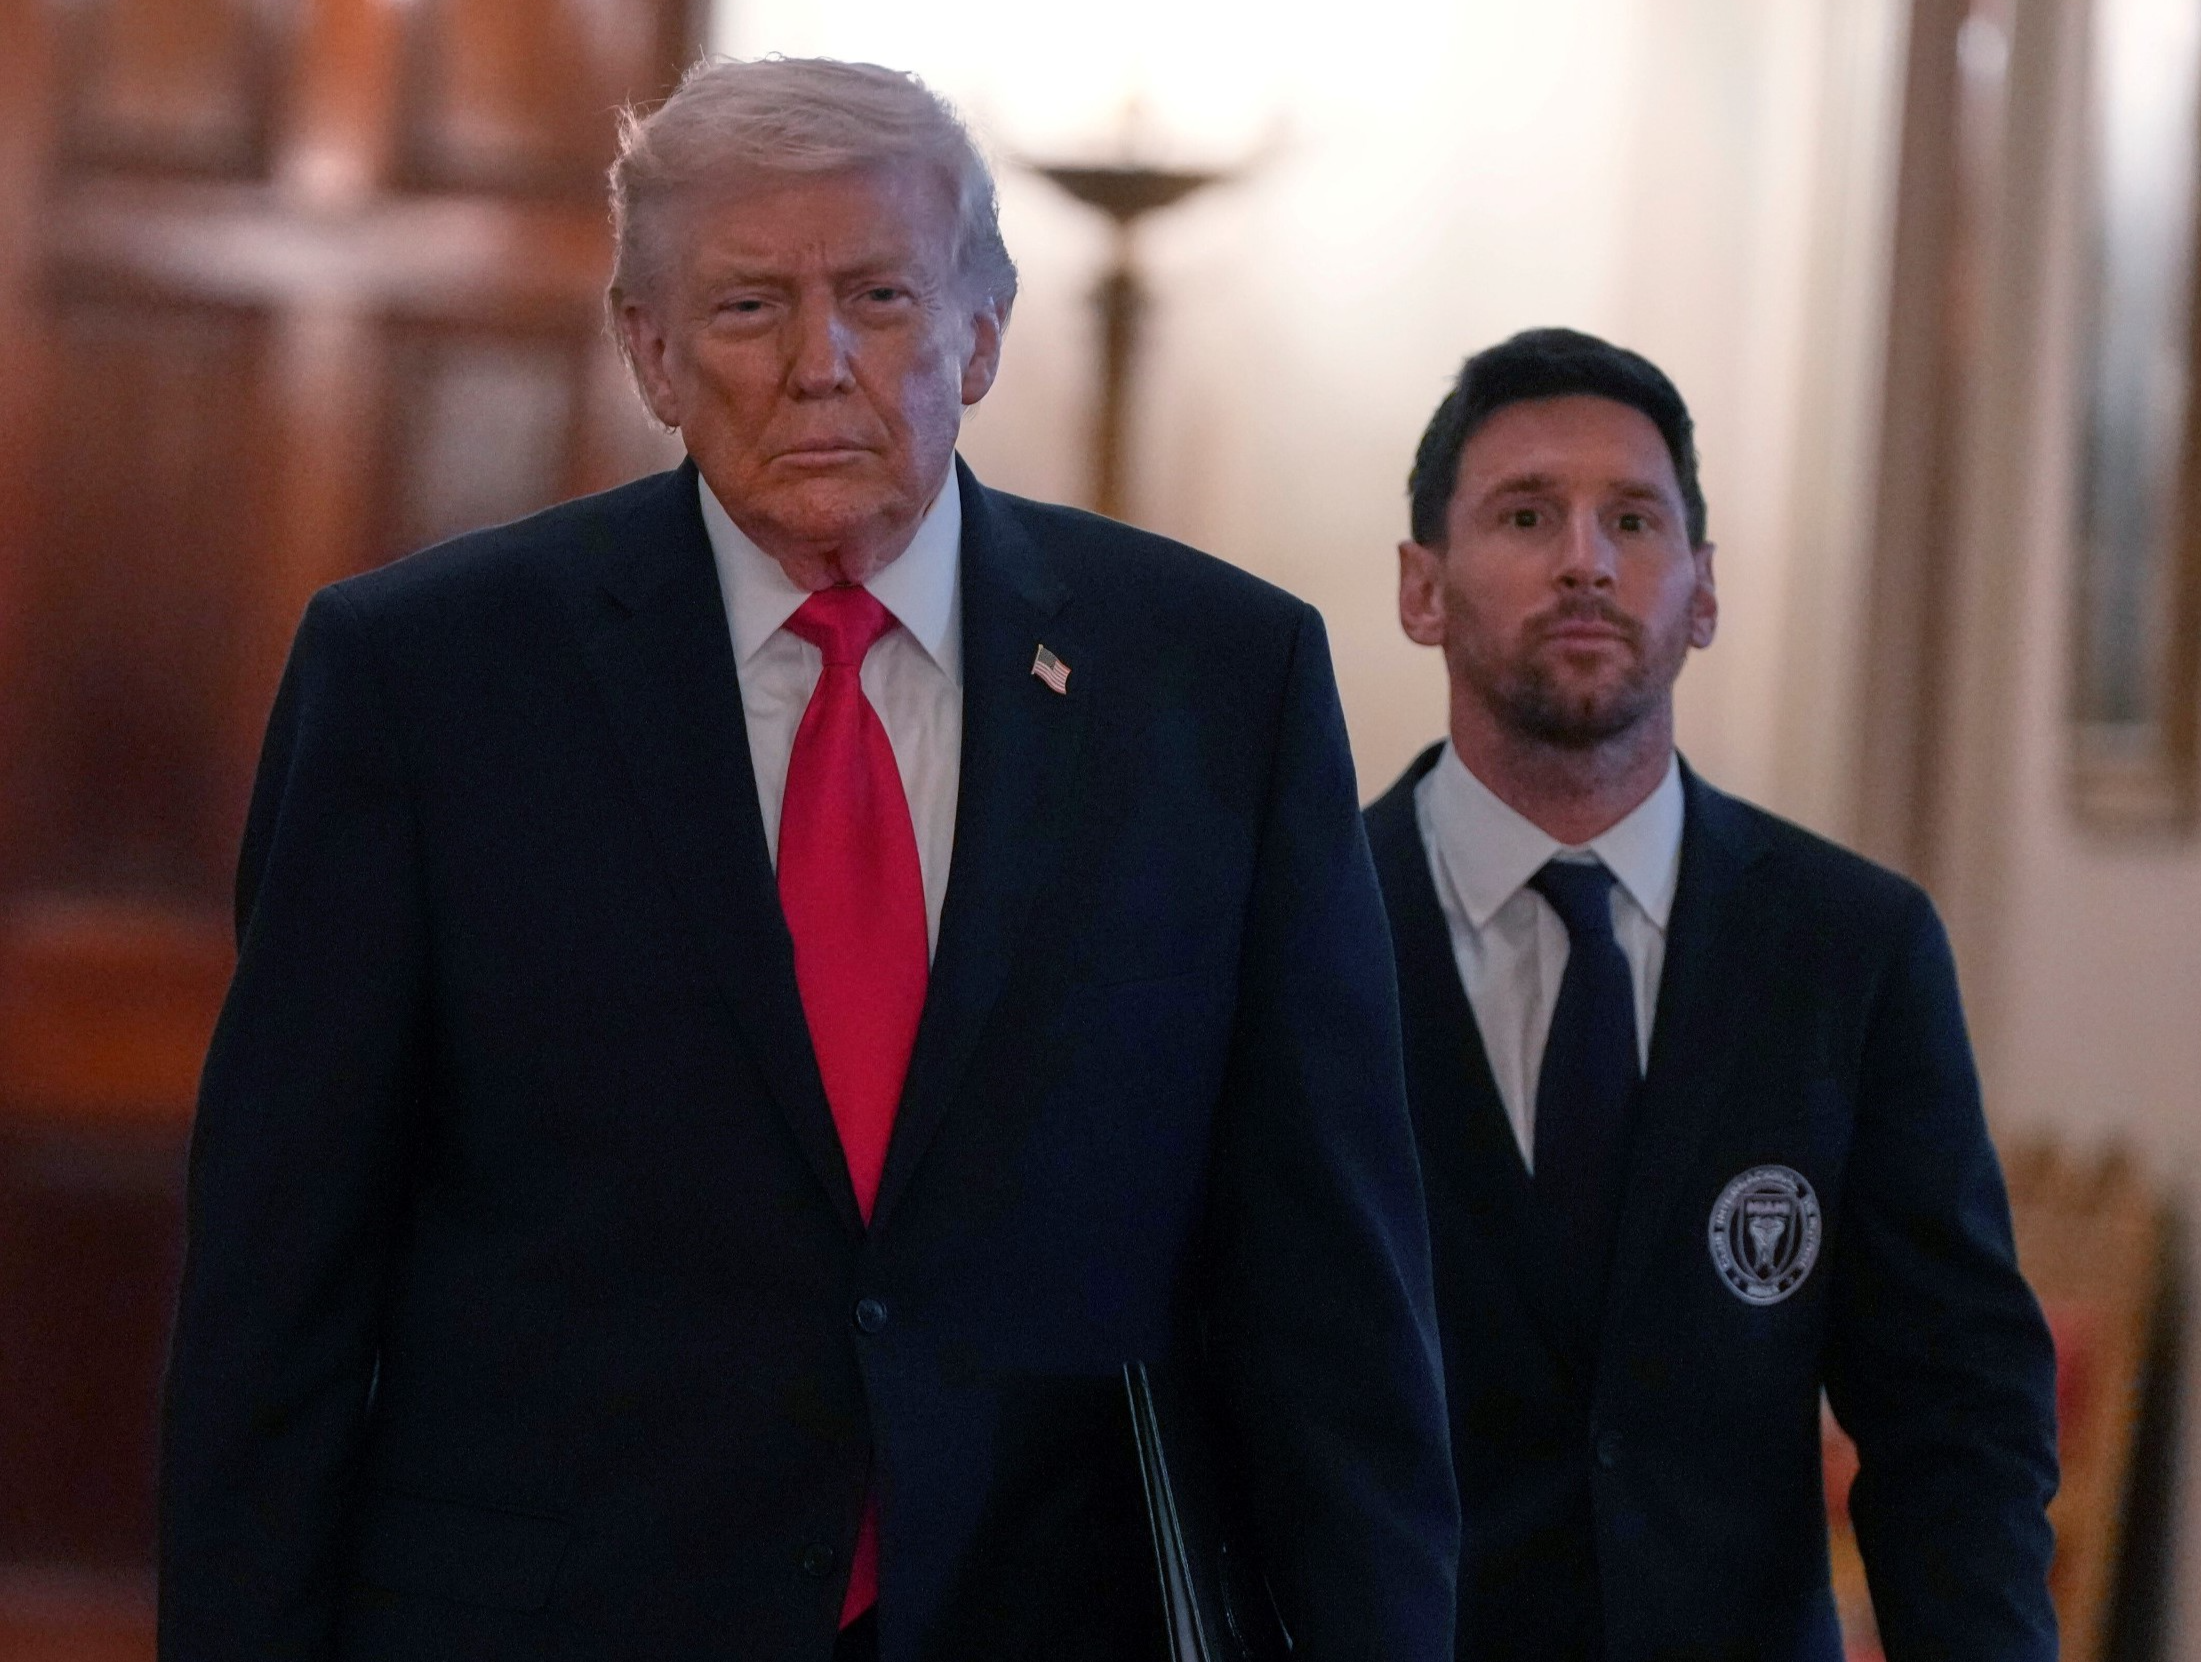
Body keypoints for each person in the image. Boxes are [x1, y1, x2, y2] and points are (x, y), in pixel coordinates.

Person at [158, 57, 1458, 1662]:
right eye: (750, 306)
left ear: (982, 332)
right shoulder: (425, 680)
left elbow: (1330, 1288)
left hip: (1047, 1612)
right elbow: (276, 1291)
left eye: (882, 295)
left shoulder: (1216, 683)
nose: (819, 365)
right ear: (649, 351)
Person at [1365, 327, 2058, 1662]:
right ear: (1423, 587)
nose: (1587, 558)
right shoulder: (1297, 933)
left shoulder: (1852, 950)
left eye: (1634, 518)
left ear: (1703, 593)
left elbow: (1951, 1412)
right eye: (1525, 514)